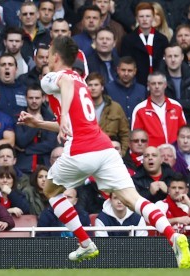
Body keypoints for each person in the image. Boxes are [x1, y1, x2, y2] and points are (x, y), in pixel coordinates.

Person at [17, 35, 190, 267]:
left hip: (80, 151)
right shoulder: (80, 80)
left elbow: (64, 88)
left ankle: (85, 243)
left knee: (51, 192)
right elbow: (71, 122)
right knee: (134, 200)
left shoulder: (52, 78)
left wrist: (65, 114)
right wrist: (39, 124)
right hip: (104, 149)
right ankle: (173, 236)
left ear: (55, 57)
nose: (46, 57)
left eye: (49, 53)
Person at [131, 71, 186, 147]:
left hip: (175, 155)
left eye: (160, 83)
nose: (157, 86)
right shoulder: (140, 109)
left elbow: (184, 133)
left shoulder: (176, 106)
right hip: (152, 156)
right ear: (148, 86)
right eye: (153, 83)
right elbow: (135, 139)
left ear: (165, 85)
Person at [120, 2, 168, 86]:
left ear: (153, 18)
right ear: (137, 18)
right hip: (136, 84)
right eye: (141, 16)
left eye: (148, 16)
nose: (144, 19)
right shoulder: (128, 40)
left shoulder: (162, 40)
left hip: (158, 83)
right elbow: (126, 63)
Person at [14, 84, 57, 173]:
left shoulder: (50, 118)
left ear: (43, 98)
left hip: (45, 168)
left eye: (37, 98)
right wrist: (36, 124)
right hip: (24, 168)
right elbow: (21, 141)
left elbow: (50, 144)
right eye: (31, 98)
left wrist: (27, 150)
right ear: (26, 98)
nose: (34, 101)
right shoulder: (18, 117)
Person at [86, 73, 129, 156]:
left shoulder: (115, 108)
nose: (93, 88)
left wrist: (122, 153)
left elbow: (125, 133)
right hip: (89, 150)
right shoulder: (82, 108)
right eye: (90, 85)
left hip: (110, 151)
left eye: (96, 85)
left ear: (102, 87)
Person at [105, 56, 146, 122]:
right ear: (118, 70)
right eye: (123, 70)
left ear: (135, 71)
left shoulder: (142, 90)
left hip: (137, 129)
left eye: (129, 71)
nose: (126, 74)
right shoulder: (108, 89)